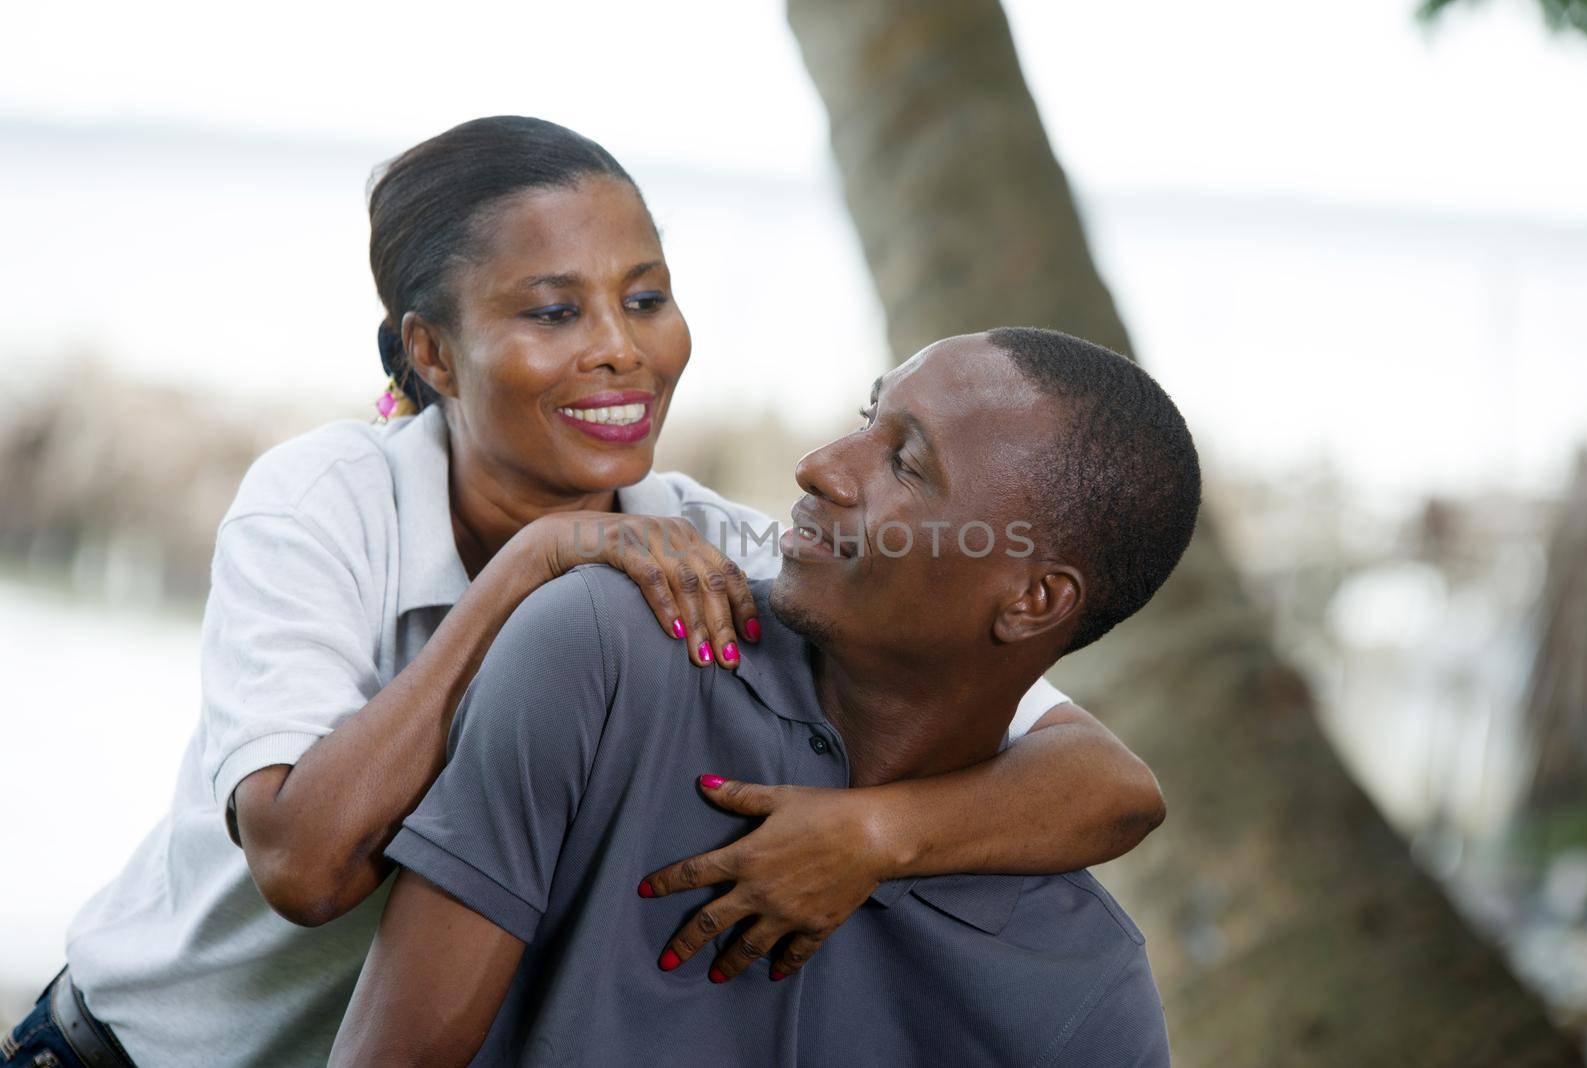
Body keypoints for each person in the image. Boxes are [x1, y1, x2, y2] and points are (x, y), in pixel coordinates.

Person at [1, 119, 1165, 1068]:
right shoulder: (325, 502)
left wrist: (870, 835)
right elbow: (303, 866)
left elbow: (1106, 783)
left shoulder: (712, 546)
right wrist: (524, 573)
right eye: (553, 312)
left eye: (646, 299)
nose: (620, 349)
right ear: (435, 354)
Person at [330, 327, 1196, 1067]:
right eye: (866, 420)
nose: (820, 467)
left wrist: (878, 835)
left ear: (1031, 601)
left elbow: (1123, 787)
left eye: (904, 461)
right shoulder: (602, 649)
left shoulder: (1084, 989)